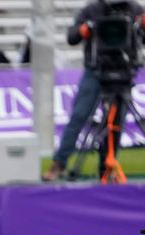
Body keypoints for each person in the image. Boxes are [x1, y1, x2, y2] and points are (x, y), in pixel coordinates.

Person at [43, 0, 144, 181]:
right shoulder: (92, 10)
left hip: (124, 71)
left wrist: (142, 25)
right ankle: (59, 163)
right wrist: (85, 30)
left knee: (116, 123)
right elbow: (71, 37)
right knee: (79, 116)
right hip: (97, 70)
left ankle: (106, 167)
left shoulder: (135, 10)